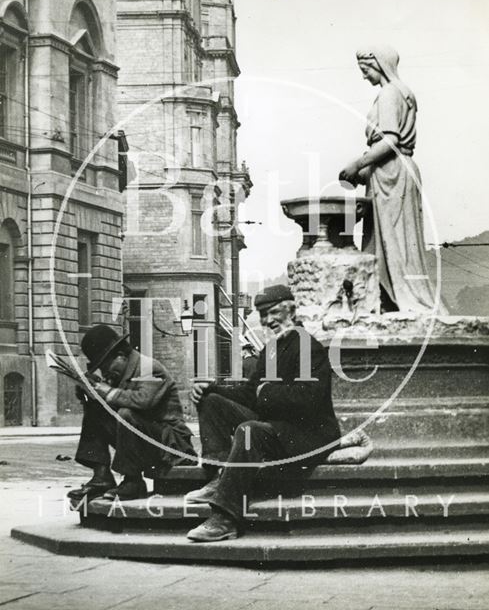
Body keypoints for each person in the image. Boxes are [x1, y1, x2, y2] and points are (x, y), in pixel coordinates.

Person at [185, 285, 341, 542]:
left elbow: (308, 400)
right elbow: (249, 394)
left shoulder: (307, 346)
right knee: (212, 401)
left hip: (309, 434)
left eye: (273, 312)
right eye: (263, 314)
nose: (268, 320)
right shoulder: (271, 349)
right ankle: (218, 475)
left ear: (291, 309)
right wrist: (211, 387)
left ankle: (225, 519)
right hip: (279, 429)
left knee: (249, 432)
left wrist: (266, 392)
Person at [339, 44, 444, 314]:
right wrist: (365, 172)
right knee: (386, 242)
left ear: (379, 64)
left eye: (365, 70)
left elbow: (390, 141)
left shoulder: (389, 94)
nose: (364, 76)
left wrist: (358, 164)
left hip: (392, 175)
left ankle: (402, 301)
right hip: (391, 172)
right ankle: (387, 301)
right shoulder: (404, 93)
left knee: (394, 243)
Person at [68, 324, 196, 502]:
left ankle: (132, 481)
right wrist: (88, 396)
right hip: (147, 440)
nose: (105, 373)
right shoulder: (122, 371)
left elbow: (143, 401)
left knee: (127, 413)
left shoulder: (149, 368)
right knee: (96, 409)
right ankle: (101, 476)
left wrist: (108, 392)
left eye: (105, 366)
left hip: (171, 444)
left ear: (121, 356)